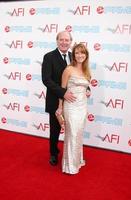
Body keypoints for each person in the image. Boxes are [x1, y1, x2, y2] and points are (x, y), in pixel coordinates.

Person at [41, 31, 76, 166]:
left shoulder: (74, 57)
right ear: (57, 41)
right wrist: (63, 93)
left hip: (72, 101)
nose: (64, 42)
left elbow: (79, 75)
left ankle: (71, 153)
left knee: (72, 128)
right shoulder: (49, 57)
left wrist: (87, 88)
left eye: (67, 40)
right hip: (55, 100)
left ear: (70, 42)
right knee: (55, 130)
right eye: (61, 39)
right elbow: (47, 80)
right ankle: (54, 153)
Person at [56, 43, 91, 174]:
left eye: (83, 53)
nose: (80, 55)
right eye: (77, 53)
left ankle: (77, 160)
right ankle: (70, 166)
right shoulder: (68, 70)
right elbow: (62, 89)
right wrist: (60, 107)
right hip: (70, 107)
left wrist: (87, 90)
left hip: (82, 106)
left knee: (78, 134)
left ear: (86, 55)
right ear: (73, 55)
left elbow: (85, 86)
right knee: (72, 134)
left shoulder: (87, 70)